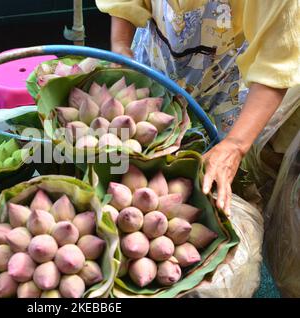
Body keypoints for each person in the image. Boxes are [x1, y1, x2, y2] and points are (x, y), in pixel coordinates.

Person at [96, 0, 300, 215]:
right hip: (155, 61)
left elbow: (275, 60)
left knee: (214, 183)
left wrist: (235, 145)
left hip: (224, 81)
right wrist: (120, 46)